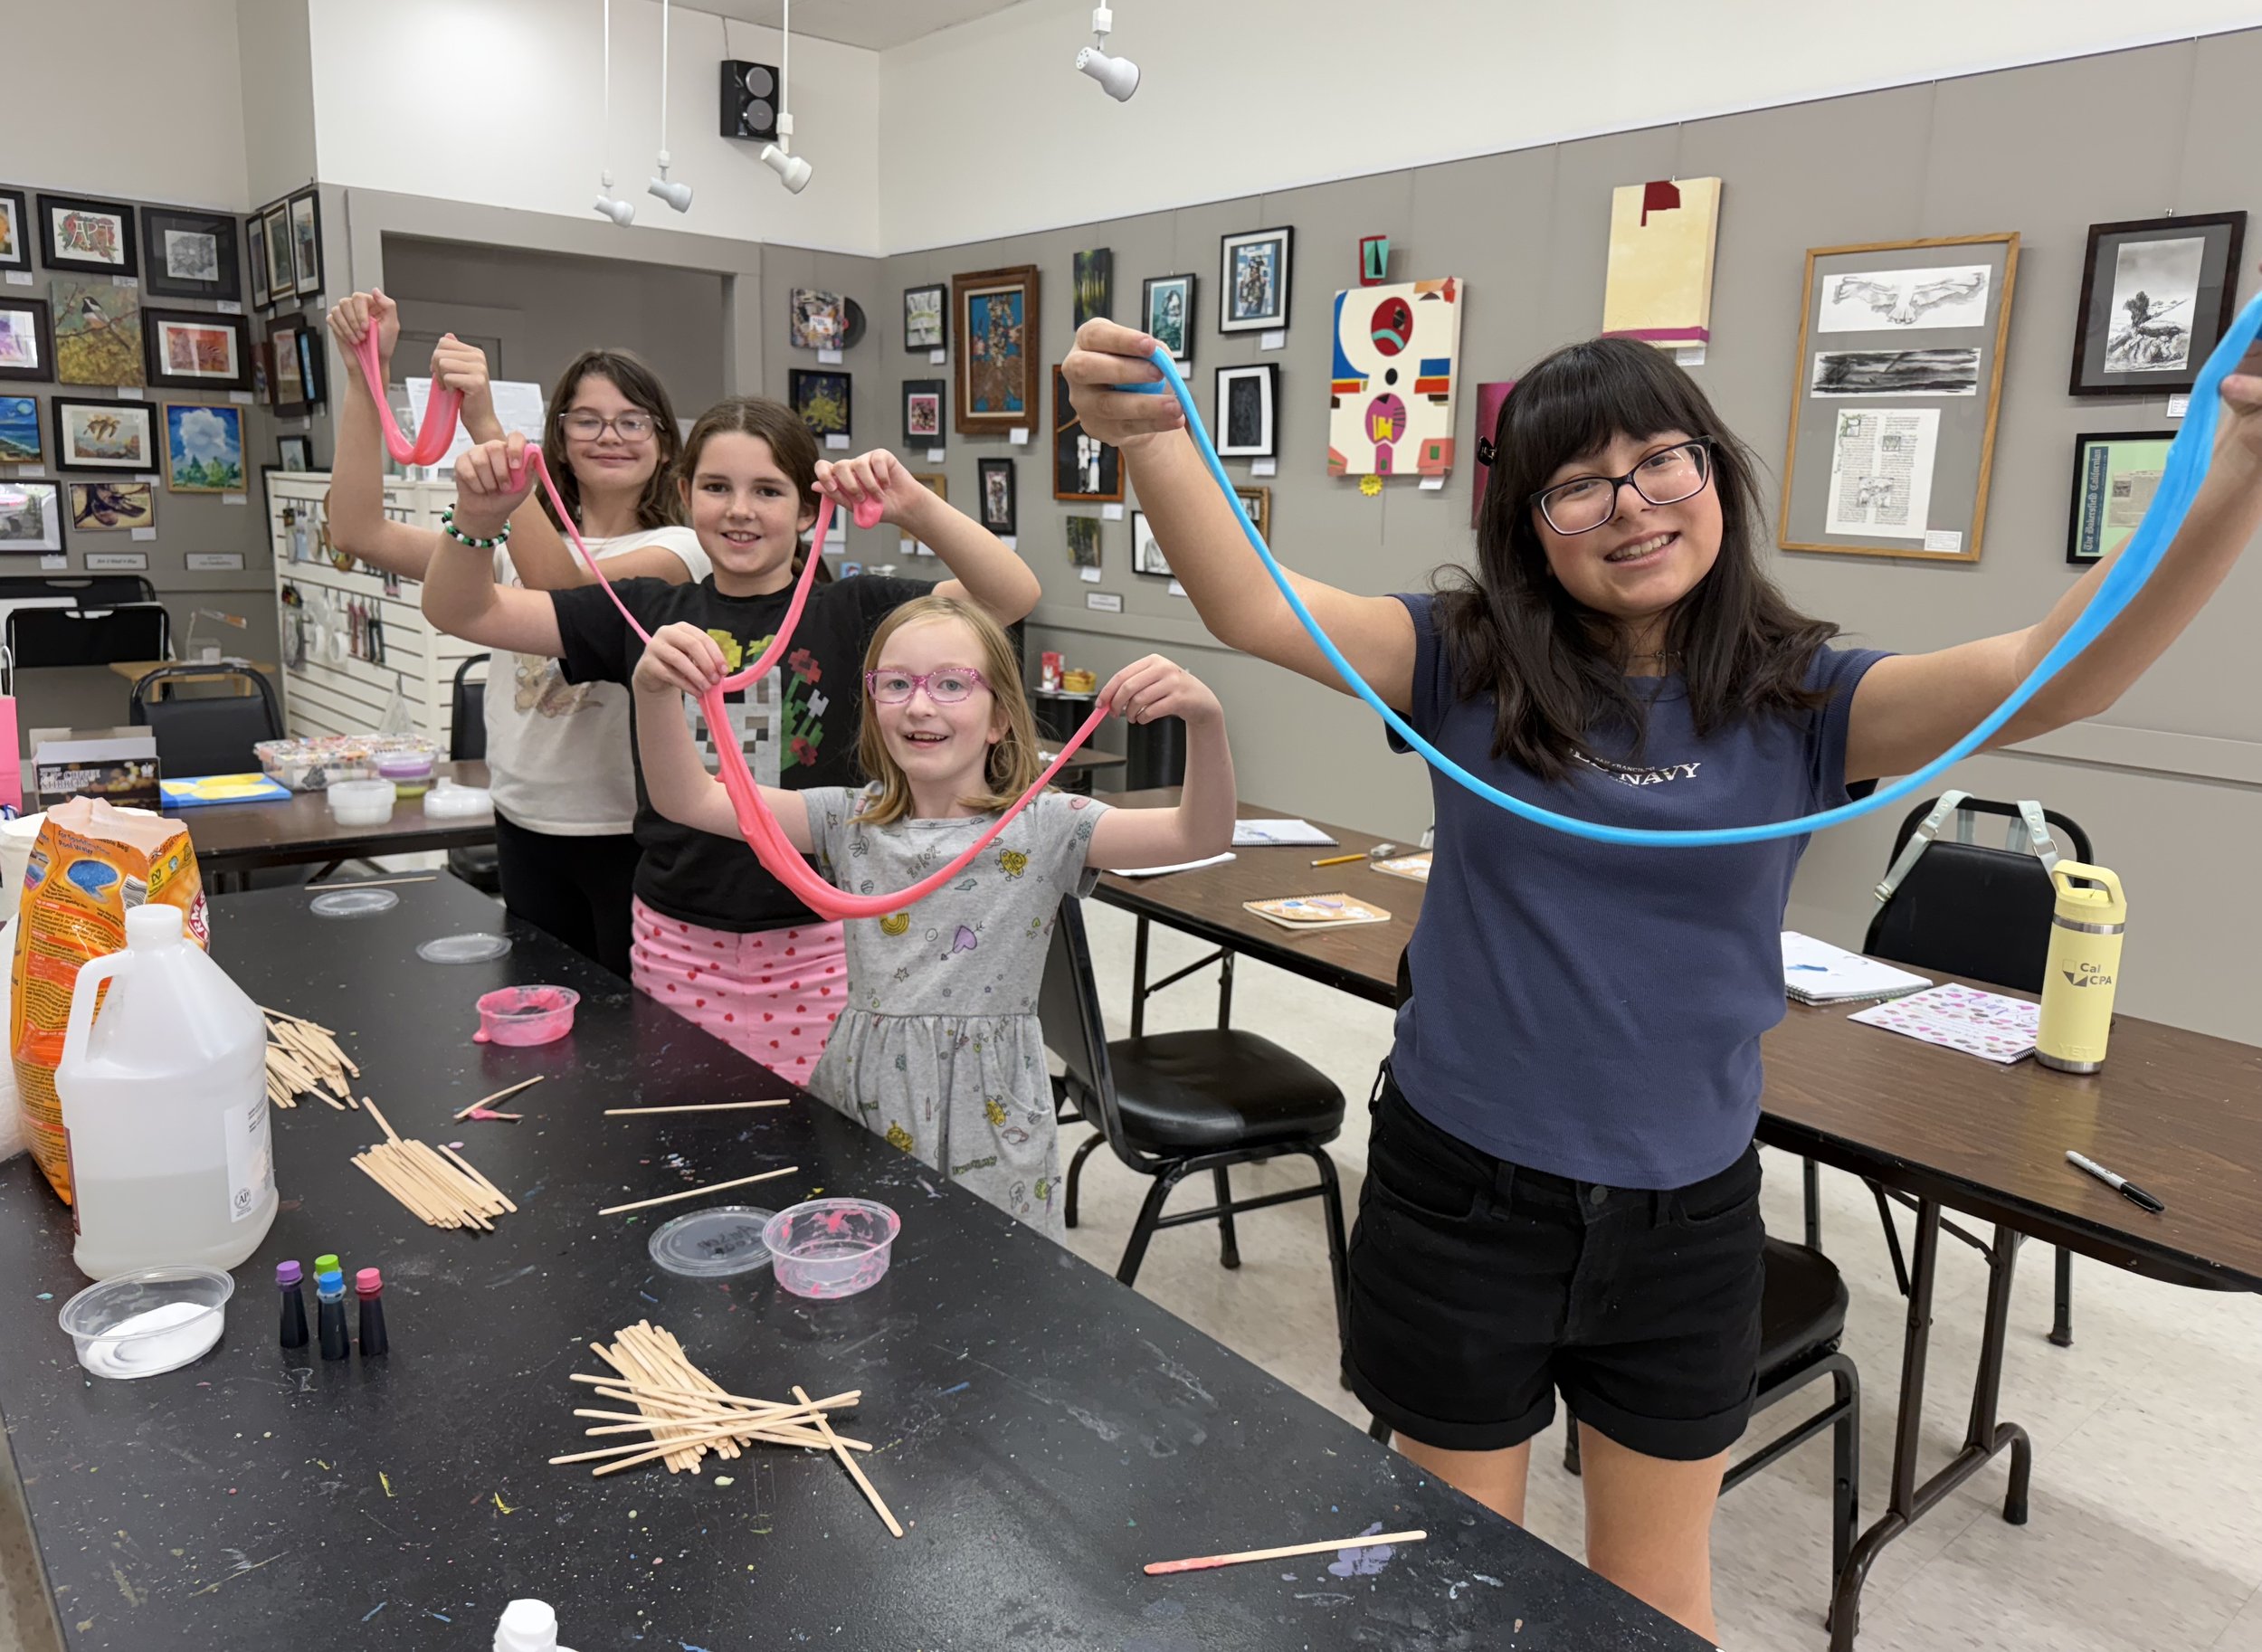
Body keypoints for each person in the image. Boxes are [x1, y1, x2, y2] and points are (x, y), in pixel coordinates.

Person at [1062, 313, 2262, 1638]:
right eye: (1578, 481)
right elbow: (1250, 600)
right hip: (1463, 1192)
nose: (1629, 505)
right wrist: (1158, 441)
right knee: (1453, 1577)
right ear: (1529, 519)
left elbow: (2059, 671)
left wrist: (2243, 456)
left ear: (1716, 476)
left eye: (1660, 460)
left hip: (1685, 1217)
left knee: (1654, 1596)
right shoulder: (1463, 661)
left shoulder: (1806, 698)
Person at [423, 398, 1042, 1085]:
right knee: (686, 1125)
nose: (740, 509)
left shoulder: (857, 611)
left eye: (768, 490)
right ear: (685, 494)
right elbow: (462, 609)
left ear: (809, 509)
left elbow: (1010, 595)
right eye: (717, 487)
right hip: (677, 935)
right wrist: (478, 518)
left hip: (820, 941)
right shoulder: (643, 610)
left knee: (827, 1135)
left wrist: (915, 505)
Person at [631, 594, 1234, 1236]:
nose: (920, 704)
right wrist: (651, 689)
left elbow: (1196, 835)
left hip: (992, 1107)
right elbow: (687, 797)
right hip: (862, 1091)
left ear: (1001, 716)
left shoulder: (1046, 826)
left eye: (951, 683)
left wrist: (1206, 719)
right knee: (860, 1260)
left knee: (994, 1277)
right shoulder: (848, 820)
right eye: (896, 684)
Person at [324, 292, 706, 976]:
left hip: (630, 833)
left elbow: (568, 597)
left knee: (631, 1026)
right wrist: (364, 378)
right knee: (542, 1017)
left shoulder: (684, 551)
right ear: (558, 440)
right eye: (586, 420)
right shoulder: (510, 538)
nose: (608, 435)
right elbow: (357, 531)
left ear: (664, 443)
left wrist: (489, 430)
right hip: (524, 819)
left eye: (631, 421)